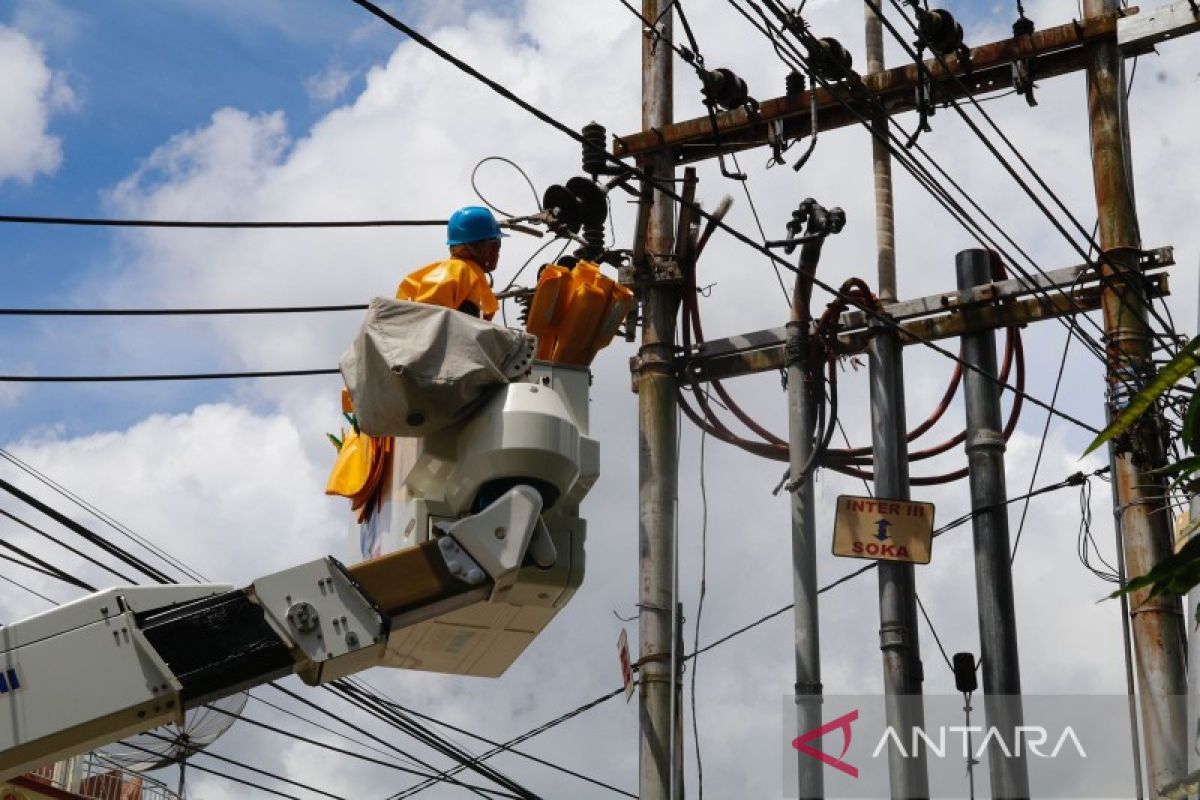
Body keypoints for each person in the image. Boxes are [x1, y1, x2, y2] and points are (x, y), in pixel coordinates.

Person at [396, 206, 508, 319]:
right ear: (476, 247)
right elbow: (428, 321)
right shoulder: (457, 271)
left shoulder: (471, 277)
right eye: (495, 245)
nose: (498, 251)